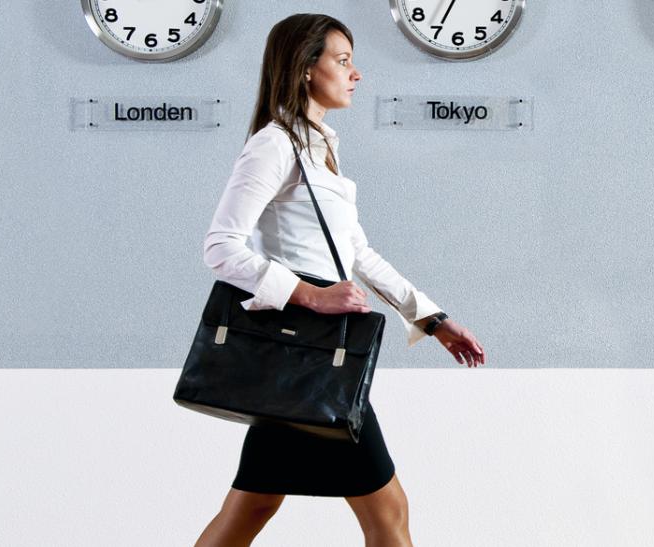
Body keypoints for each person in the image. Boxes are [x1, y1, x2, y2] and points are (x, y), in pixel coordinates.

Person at [194, 13, 486, 547]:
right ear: (307, 68)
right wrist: (311, 295)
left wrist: (433, 319)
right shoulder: (275, 144)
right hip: (308, 358)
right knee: (387, 511)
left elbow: (357, 254)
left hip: (312, 361)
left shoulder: (318, 148)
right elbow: (220, 247)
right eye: (343, 60)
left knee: (253, 507)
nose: (356, 74)